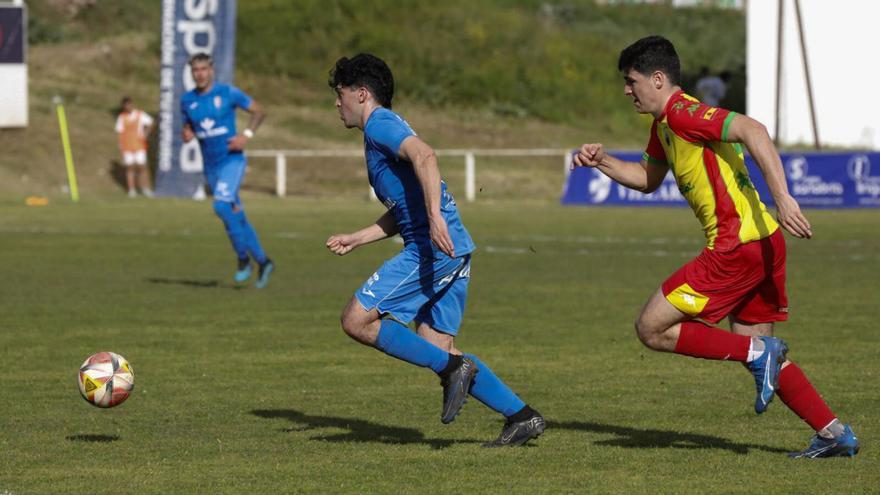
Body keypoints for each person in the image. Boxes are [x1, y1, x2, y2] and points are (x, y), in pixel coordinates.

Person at [573, 36, 859, 458]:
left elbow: (752, 129)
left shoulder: (685, 112)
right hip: (763, 244)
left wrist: (783, 197)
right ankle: (835, 434)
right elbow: (647, 179)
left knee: (652, 327)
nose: (626, 90)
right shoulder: (664, 126)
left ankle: (761, 353)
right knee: (757, 353)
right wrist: (602, 161)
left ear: (657, 79)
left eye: (631, 81)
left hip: (735, 246)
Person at [325, 53, 544, 447]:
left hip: (434, 249)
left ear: (361, 93)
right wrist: (358, 237)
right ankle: (521, 416)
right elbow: (403, 209)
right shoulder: (381, 131)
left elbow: (425, 155)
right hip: (449, 246)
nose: (335, 104)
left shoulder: (380, 126)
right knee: (435, 346)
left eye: (339, 95)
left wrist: (434, 218)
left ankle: (455, 368)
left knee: (356, 320)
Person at [181, 53, 274, 288]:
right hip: (211, 168)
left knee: (221, 205)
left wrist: (246, 135)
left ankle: (244, 260)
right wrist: (187, 133)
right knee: (235, 216)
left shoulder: (227, 92)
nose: (200, 74)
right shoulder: (187, 100)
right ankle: (264, 262)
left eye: (203, 69)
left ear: (211, 70)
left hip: (231, 161)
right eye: (195, 70)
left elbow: (259, 111)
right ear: (192, 73)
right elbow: (188, 126)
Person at [115, 96, 155, 198]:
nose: (128, 107)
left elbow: (150, 122)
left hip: (139, 145)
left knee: (142, 167)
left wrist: (146, 133)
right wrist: (120, 146)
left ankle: (144, 188)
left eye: (129, 104)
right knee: (130, 167)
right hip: (127, 146)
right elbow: (119, 132)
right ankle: (131, 189)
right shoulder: (122, 117)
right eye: (125, 105)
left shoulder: (139, 114)